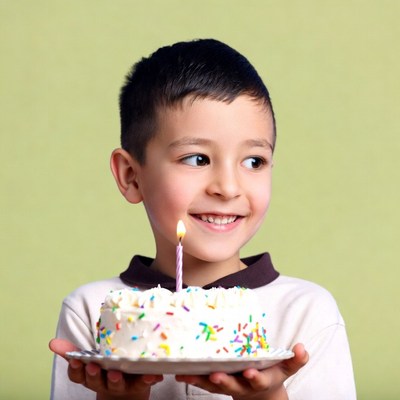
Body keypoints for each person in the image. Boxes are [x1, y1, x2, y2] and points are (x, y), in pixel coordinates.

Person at [49, 39, 356, 400]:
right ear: (132, 176)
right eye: (197, 159)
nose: (228, 188)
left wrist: (266, 397)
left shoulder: (306, 313)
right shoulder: (95, 311)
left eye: (253, 161)